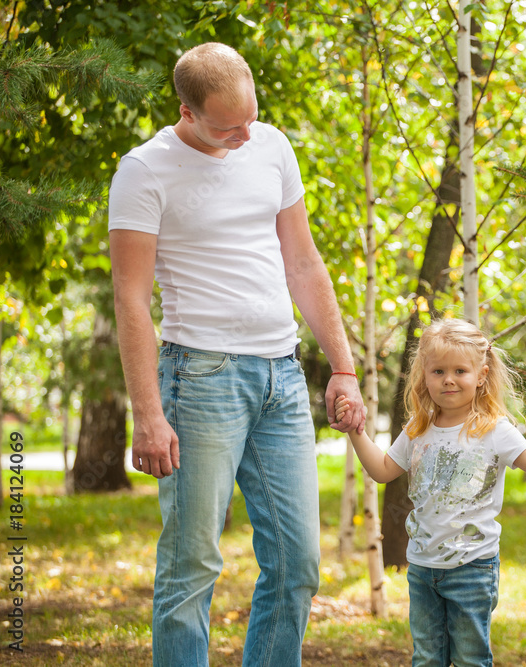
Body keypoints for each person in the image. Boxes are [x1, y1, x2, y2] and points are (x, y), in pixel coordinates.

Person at [108, 42, 366, 666]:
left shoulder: (271, 145)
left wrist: (344, 367)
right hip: (200, 379)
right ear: (187, 112)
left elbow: (303, 262)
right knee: (192, 564)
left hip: (280, 375)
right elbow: (131, 301)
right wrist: (148, 412)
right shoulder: (144, 171)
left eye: (250, 118)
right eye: (227, 127)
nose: (244, 135)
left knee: (299, 564)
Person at [335, 318, 526, 667]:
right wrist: (355, 430)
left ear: (481, 374)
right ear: (424, 376)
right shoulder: (418, 428)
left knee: (470, 659)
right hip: (422, 568)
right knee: (427, 658)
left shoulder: (494, 429)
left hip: (472, 568)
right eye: (437, 371)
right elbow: (382, 470)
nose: (448, 379)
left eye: (459, 371)